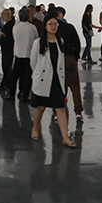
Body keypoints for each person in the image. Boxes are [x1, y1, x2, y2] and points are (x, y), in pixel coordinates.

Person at [29, 17, 76, 148]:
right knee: (41, 107)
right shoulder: (38, 43)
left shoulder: (60, 41)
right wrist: (37, 74)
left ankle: (65, 137)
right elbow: (33, 61)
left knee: (60, 108)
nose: (53, 26)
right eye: (50, 24)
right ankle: (35, 128)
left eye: (55, 24)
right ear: (45, 26)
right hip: (43, 79)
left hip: (57, 79)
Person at [53, 7, 83, 120]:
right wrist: (75, 57)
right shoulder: (69, 27)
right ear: (62, 15)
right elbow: (77, 43)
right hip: (69, 58)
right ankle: (78, 111)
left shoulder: (52, 29)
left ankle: (56, 112)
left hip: (57, 60)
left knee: (58, 86)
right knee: (75, 86)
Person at [9, 7, 39, 101]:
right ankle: (25, 94)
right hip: (29, 55)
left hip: (18, 54)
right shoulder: (32, 27)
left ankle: (11, 93)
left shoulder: (15, 27)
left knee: (14, 76)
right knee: (28, 76)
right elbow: (36, 38)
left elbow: (14, 38)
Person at [0, 8, 16, 91]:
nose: (1, 16)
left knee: (6, 66)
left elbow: (1, 33)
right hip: (6, 49)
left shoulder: (9, 25)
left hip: (8, 49)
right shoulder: (9, 24)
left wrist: (1, 33)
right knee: (6, 66)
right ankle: (7, 83)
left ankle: (5, 83)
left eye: (3, 14)